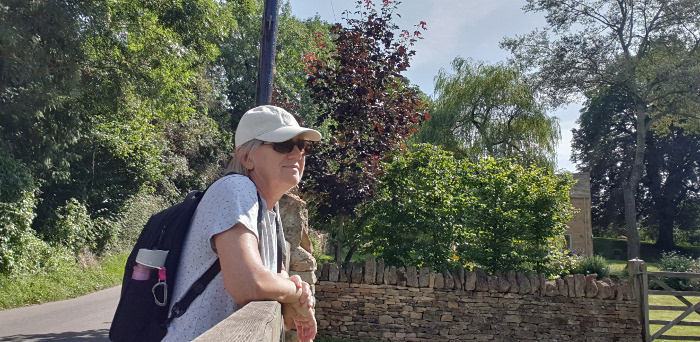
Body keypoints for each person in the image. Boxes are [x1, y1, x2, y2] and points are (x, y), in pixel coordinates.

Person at [162, 105, 320, 342]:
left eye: (302, 146)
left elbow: (276, 290)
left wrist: (292, 293)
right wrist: (297, 293)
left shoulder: (269, 210)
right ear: (246, 157)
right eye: (283, 145)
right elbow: (248, 283)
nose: (297, 154)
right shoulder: (235, 188)